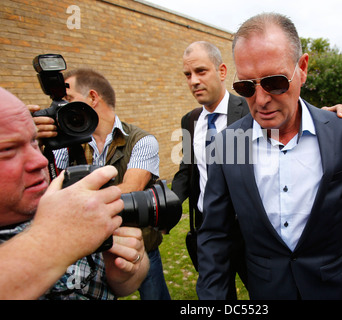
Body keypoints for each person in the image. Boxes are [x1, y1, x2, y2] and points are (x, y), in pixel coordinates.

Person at [196, 13, 342, 300]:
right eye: (246, 86)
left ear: (302, 68)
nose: (261, 99)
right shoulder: (229, 143)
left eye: (275, 82)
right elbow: (214, 235)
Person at [32, 68, 169, 300]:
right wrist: (32, 144)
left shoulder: (141, 140)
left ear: (93, 98)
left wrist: (73, 202)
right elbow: (48, 189)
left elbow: (131, 190)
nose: (60, 109)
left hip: (136, 246)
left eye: (68, 101)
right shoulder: (65, 144)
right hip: (87, 251)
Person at [0, 87, 148, 299]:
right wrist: (55, 238)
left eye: (34, 142)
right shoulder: (66, 213)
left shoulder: (56, 203)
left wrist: (124, 273)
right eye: (7, 150)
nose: (40, 160)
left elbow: (124, 285)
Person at [171, 41, 250, 299]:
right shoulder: (190, 120)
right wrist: (166, 207)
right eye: (188, 75)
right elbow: (186, 170)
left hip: (248, 230)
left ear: (222, 71)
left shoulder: (250, 111)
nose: (193, 81)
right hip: (209, 229)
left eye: (201, 71)